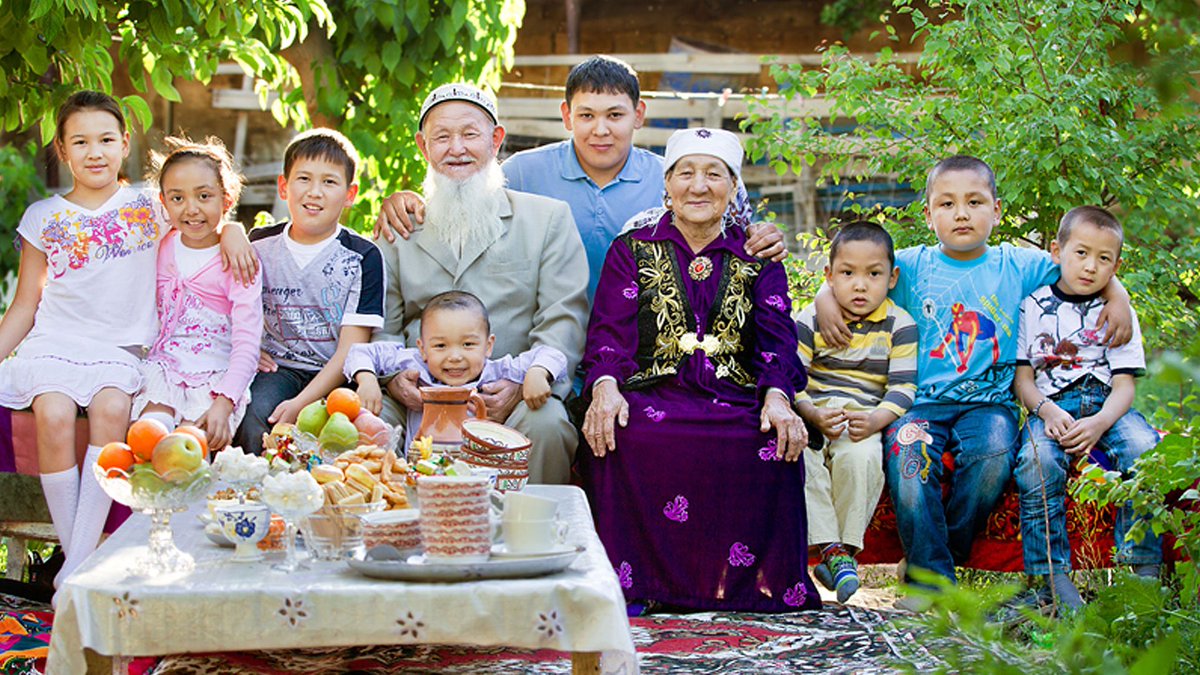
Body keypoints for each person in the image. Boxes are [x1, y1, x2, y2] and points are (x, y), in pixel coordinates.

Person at [812, 155, 1134, 601]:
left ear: (997, 210)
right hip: (918, 403)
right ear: (928, 215)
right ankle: (934, 584)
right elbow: (852, 270)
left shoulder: (1017, 265)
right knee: (908, 463)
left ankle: (932, 560)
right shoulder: (911, 265)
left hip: (990, 404)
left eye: (974, 202)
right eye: (946, 204)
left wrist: (1116, 294)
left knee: (992, 460)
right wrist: (825, 296)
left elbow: (1083, 268)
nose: (961, 213)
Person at [0, 91, 256, 588]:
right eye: (80, 141)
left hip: (122, 351)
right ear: (62, 149)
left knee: (113, 409)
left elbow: (202, 214)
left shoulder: (148, 202)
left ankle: (78, 563)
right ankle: (78, 558)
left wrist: (236, 231)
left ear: (123, 143)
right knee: (51, 412)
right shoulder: (43, 217)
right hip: (55, 342)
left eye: (105, 140)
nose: (94, 152)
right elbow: (26, 306)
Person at [578, 127, 819, 613]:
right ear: (666, 183)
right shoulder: (633, 247)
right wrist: (605, 385)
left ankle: (751, 590)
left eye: (714, 174)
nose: (699, 186)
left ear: (733, 187)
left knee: (766, 439)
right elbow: (608, 330)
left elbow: (777, 336)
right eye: (685, 173)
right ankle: (635, 586)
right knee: (627, 434)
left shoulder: (757, 255)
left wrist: (777, 396)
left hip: (735, 396)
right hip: (653, 393)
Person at [374, 56, 788, 300]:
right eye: (586, 115)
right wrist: (406, 200)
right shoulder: (521, 173)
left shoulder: (674, 179)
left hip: (642, 345)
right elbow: (463, 198)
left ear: (638, 115)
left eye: (615, 115)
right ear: (566, 116)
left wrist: (763, 235)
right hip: (542, 339)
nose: (600, 130)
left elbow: (735, 233)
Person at [374, 83, 588, 484]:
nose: (456, 148)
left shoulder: (547, 221)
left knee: (547, 425)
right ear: (423, 147)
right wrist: (391, 379)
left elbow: (564, 320)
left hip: (514, 389)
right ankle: (387, 537)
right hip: (417, 393)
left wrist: (521, 382)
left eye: (470, 134)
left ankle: (530, 542)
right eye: (442, 137)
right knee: (361, 423)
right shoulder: (401, 226)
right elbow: (382, 322)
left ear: (496, 140)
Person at [1013, 206, 1161, 611]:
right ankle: (1051, 577)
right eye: (1081, 253)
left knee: (1144, 450)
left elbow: (1125, 386)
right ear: (1056, 251)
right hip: (1051, 406)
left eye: (1104, 258)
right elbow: (1023, 381)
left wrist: (1100, 423)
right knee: (1036, 461)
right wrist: (1047, 412)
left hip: (1107, 404)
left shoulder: (1117, 311)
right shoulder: (1031, 305)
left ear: (1117, 264)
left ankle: (1142, 570)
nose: (1091, 266)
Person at [234, 128, 385, 455]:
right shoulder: (259, 244)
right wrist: (246, 347)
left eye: (329, 182)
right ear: (284, 187)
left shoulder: (363, 257)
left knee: (345, 436)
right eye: (304, 179)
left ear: (350, 193)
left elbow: (350, 350)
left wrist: (301, 404)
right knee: (252, 415)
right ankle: (255, 496)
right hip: (278, 369)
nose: (315, 192)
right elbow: (227, 305)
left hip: (337, 373)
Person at [794, 221, 917, 603]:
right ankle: (834, 551)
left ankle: (841, 551)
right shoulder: (809, 321)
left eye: (874, 274)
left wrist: (877, 419)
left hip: (861, 420)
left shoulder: (900, 325)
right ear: (829, 276)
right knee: (800, 460)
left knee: (861, 461)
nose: (860, 285)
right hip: (811, 418)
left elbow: (902, 387)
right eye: (848, 273)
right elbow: (790, 380)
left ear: (892, 277)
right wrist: (811, 413)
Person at [131, 137, 263, 452]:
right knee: (148, 440)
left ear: (227, 199)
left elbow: (247, 342)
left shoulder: (239, 262)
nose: (191, 209)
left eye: (204, 196)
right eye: (177, 198)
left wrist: (224, 402)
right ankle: (142, 503)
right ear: (163, 202)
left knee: (188, 454)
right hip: (164, 371)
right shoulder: (160, 246)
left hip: (215, 380)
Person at [345, 290, 568, 451]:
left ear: (488, 346)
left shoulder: (496, 373)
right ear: (422, 348)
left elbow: (553, 354)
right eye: (440, 346)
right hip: (422, 470)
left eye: (468, 344)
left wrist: (538, 372)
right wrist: (367, 380)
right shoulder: (415, 367)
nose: (455, 356)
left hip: (483, 475)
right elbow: (359, 352)